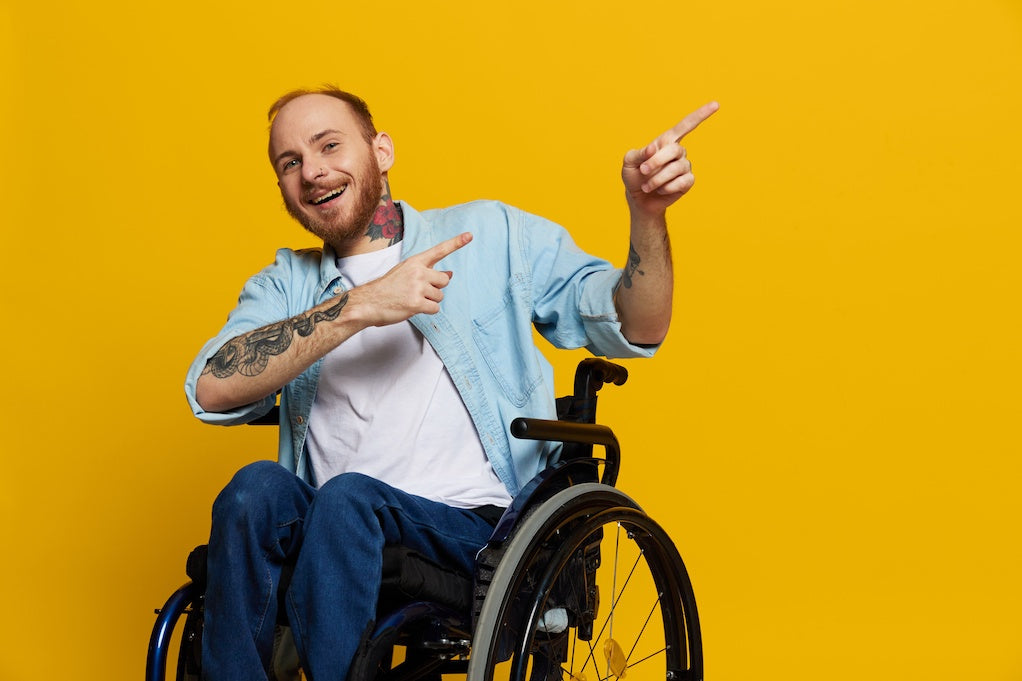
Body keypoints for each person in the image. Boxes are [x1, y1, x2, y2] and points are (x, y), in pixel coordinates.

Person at [184, 85, 717, 681]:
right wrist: (359, 306)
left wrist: (647, 217)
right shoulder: (287, 285)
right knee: (255, 489)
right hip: (333, 533)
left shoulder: (490, 235)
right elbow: (211, 387)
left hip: (475, 531)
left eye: (329, 145)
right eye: (290, 163)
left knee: (347, 500)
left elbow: (637, 325)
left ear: (380, 150)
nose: (312, 172)